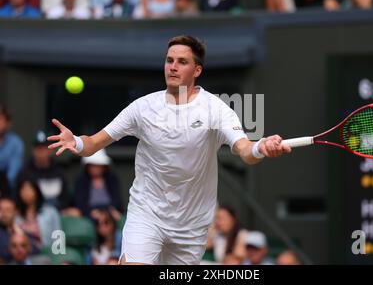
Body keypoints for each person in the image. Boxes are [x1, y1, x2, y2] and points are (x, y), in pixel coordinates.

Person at [47, 35, 291, 265]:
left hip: (192, 226)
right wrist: (76, 142)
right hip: (147, 213)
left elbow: (245, 150)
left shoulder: (216, 109)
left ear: (197, 71)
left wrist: (261, 147)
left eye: (182, 62)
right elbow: (94, 144)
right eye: (169, 60)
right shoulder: (142, 108)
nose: (172, 67)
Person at [18, 130, 70, 210]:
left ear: (51, 150)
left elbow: (65, 198)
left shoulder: (59, 171)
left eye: (44, 148)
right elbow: (18, 197)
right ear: (33, 150)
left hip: (57, 213)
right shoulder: (24, 172)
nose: (41, 152)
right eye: (38, 148)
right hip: (33, 214)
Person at [71, 149, 122, 218]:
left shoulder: (112, 179)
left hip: (109, 212)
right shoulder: (81, 180)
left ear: (104, 167)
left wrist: (110, 211)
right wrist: (91, 212)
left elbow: (117, 200)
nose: (94, 168)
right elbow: (80, 203)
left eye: (97, 165)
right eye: (92, 165)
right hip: (89, 214)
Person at [15, 178, 61, 252]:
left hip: (46, 253)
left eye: (29, 189)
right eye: (23, 190)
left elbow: (58, 235)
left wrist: (58, 255)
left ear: (36, 191)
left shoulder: (50, 212)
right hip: (22, 254)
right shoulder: (15, 215)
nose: (26, 193)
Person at [0, 105, 24, 188]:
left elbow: (12, 175)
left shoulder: (15, 143)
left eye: (0, 118)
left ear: (7, 122)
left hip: (8, 191)